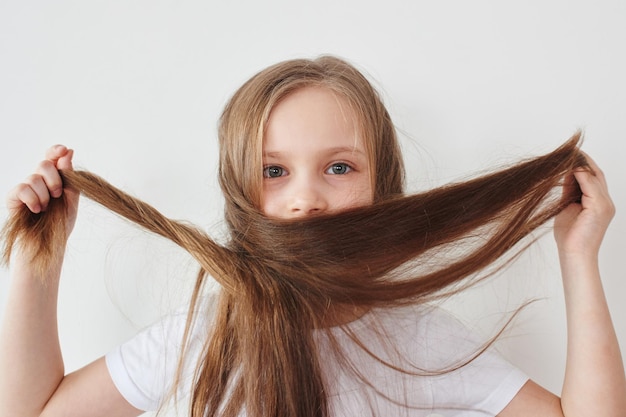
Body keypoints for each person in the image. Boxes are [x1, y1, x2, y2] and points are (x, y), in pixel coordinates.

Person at [0, 56, 624, 417]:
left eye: (339, 167)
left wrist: (578, 257)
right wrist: (37, 264)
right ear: (240, 191)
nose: (305, 196)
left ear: (384, 187)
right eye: (274, 171)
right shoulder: (202, 337)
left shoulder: (413, 341)